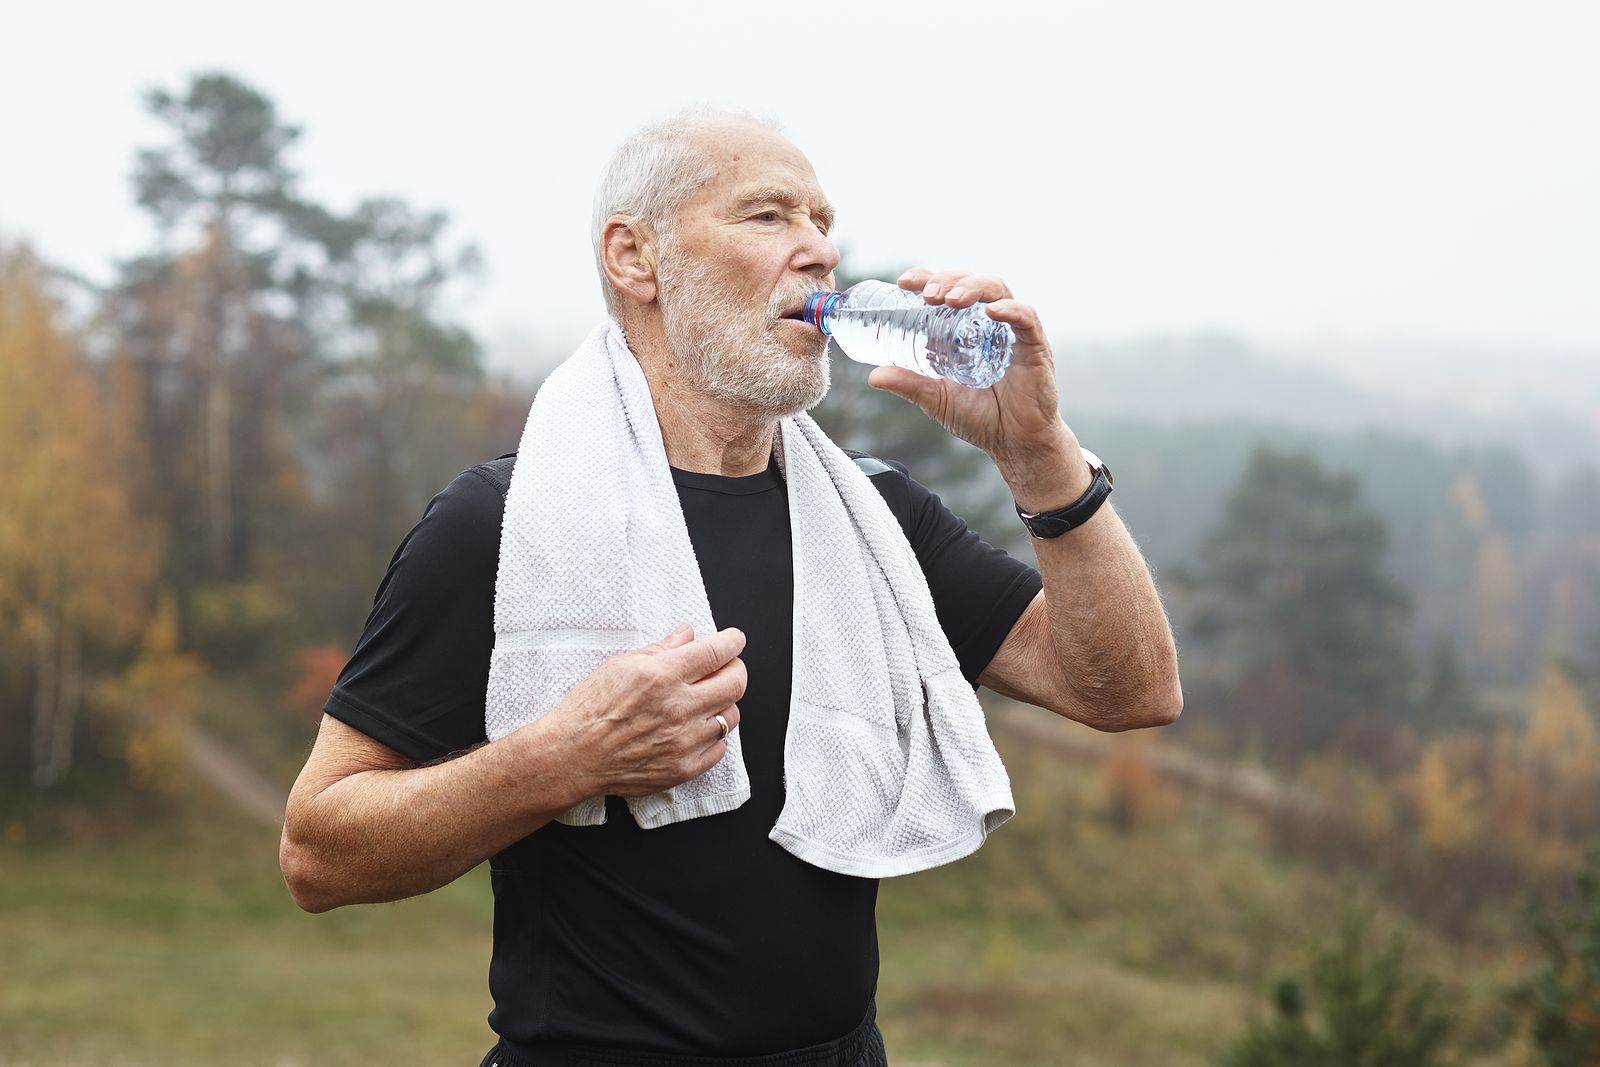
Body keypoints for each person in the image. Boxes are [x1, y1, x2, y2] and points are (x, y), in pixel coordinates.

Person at [279, 111, 1183, 1067]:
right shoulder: (505, 522)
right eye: (767, 215)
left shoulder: (875, 518)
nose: (821, 249)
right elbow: (317, 852)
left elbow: (1128, 689)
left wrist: (1039, 452)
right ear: (635, 258)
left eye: (823, 222)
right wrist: (564, 757)